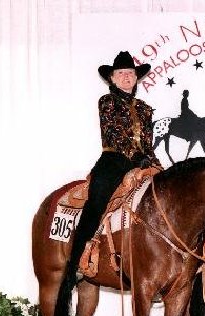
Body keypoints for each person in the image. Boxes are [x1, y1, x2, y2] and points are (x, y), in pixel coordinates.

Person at [60, 51, 162, 294]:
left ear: (136, 77)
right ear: (112, 79)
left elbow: (148, 143)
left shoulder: (144, 108)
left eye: (130, 73)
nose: (126, 77)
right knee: (96, 202)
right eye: (121, 73)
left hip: (142, 163)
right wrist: (136, 156)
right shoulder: (107, 101)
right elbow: (114, 133)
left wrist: (154, 164)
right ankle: (75, 263)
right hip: (113, 161)